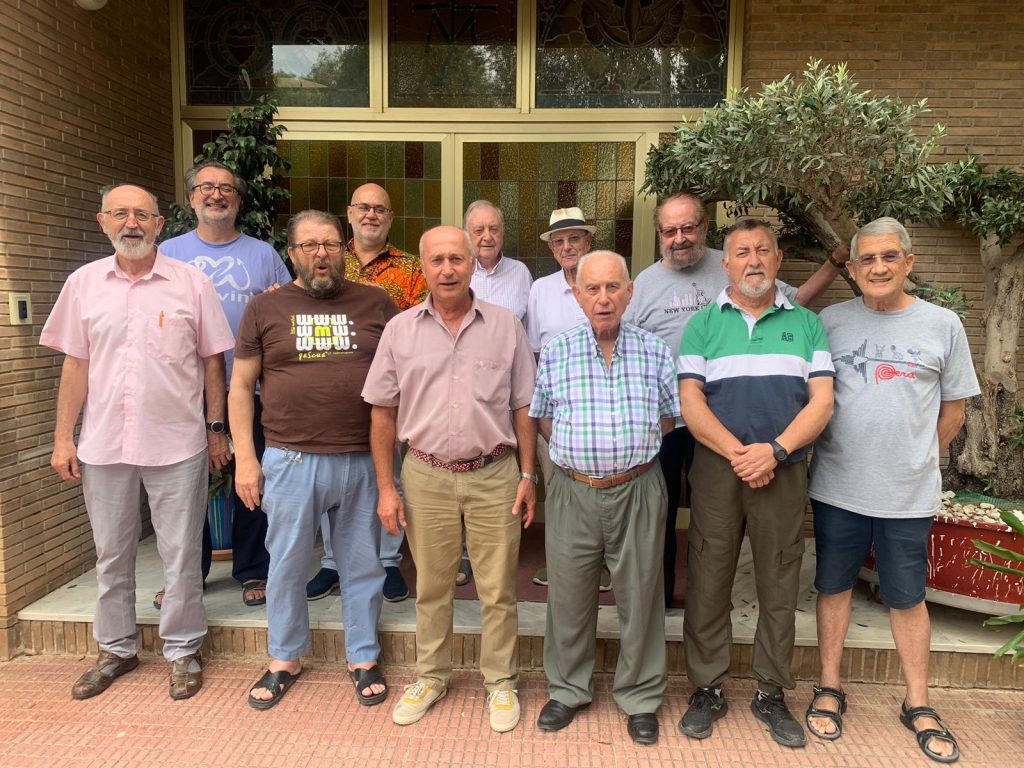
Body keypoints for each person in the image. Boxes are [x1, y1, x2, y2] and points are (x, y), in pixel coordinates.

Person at [41, 183, 234, 701]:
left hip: (178, 443)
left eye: (142, 215)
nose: (132, 223)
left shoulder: (191, 283)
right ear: (103, 221)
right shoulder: (82, 284)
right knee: (111, 554)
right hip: (103, 444)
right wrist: (63, 438)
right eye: (121, 214)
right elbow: (75, 365)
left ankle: (184, 650)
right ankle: (116, 649)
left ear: (159, 224)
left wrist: (216, 428)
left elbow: (213, 362)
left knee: (181, 553)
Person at [805, 217, 978, 764]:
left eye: (888, 257)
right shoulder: (830, 321)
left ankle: (918, 702)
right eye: (867, 259)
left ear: (908, 262)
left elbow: (954, 412)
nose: (878, 268)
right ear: (853, 268)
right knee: (833, 588)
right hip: (838, 487)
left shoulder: (943, 324)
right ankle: (829, 686)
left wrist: (914, 458)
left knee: (908, 597)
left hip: (908, 495)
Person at [624, 191, 850, 607]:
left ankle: (712, 598)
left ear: (704, 227)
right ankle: (662, 599)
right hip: (667, 420)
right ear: (659, 235)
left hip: (725, 420)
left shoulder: (735, 261)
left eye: (688, 227)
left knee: (717, 521)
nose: (680, 238)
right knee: (662, 512)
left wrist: (834, 264)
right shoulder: (645, 285)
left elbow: (795, 302)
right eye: (670, 231)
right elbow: (627, 347)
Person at [363, 225, 537, 733]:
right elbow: (382, 412)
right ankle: (431, 676)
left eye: (456, 259)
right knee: (432, 587)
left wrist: (529, 473)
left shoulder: (506, 326)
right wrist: (386, 487)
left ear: (471, 264)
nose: (447, 269)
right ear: (422, 267)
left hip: (494, 474)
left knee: (497, 589)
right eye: (436, 260)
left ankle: (500, 681)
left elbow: (524, 406)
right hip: (425, 475)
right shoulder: (400, 330)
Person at [677, 218, 835, 749]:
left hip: (782, 469)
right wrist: (740, 454)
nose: (753, 260)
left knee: (779, 579)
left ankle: (771, 691)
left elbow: (822, 402)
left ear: (778, 259)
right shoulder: (702, 325)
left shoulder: (808, 325)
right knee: (708, 577)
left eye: (763, 250)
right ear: (725, 263)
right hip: (717, 469)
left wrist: (776, 450)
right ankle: (707, 689)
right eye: (742, 252)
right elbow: (691, 403)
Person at [233, 210, 398, 710]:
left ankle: (363, 655)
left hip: (362, 459)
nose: (321, 253)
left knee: (363, 565)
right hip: (290, 459)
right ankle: (285, 657)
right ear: (292, 254)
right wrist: (246, 459)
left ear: (343, 250)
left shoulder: (377, 302)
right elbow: (240, 386)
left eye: (329, 244)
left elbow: (404, 375)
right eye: (309, 245)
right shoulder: (265, 308)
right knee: (285, 565)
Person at [530, 251, 680, 746]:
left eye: (613, 287)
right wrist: (582, 457)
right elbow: (543, 418)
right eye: (592, 289)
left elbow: (668, 418)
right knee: (569, 596)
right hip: (573, 490)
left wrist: (625, 454)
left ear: (629, 292)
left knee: (641, 596)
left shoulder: (655, 350)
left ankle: (640, 697)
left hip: (638, 488)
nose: (603, 298)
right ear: (577, 296)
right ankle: (568, 689)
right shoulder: (557, 351)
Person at [160, 160, 291, 609]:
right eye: (207, 187)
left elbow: (289, 311)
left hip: (251, 391)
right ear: (191, 197)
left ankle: (253, 569)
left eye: (226, 189)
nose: (216, 195)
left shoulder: (264, 254)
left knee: (252, 478)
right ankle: (186, 575)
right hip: (183, 392)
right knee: (182, 489)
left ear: (238, 199)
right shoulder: (168, 253)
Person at [306, 183, 427, 604]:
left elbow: (421, 329)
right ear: (350, 213)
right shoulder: (328, 260)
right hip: (332, 389)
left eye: (380, 209)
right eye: (364, 207)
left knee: (387, 475)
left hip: (391, 392)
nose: (371, 214)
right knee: (332, 477)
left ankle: (388, 560)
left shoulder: (411, 270)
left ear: (390, 218)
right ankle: (333, 562)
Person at [525, 207, 611, 592]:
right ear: (552, 248)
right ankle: (560, 562)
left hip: (606, 410)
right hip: (557, 412)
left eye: (574, 238)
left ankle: (603, 562)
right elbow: (534, 352)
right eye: (559, 241)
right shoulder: (541, 289)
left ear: (589, 241)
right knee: (560, 488)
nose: (567, 247)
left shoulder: (608, 280)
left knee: (601, 487)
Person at [466, 199, 532, 321]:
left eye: (493, 229)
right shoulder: (459, 273)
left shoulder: (520, 272)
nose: (487, 237)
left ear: (502, 232)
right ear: (467, 235)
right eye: (479, 230)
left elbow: (530, 324)